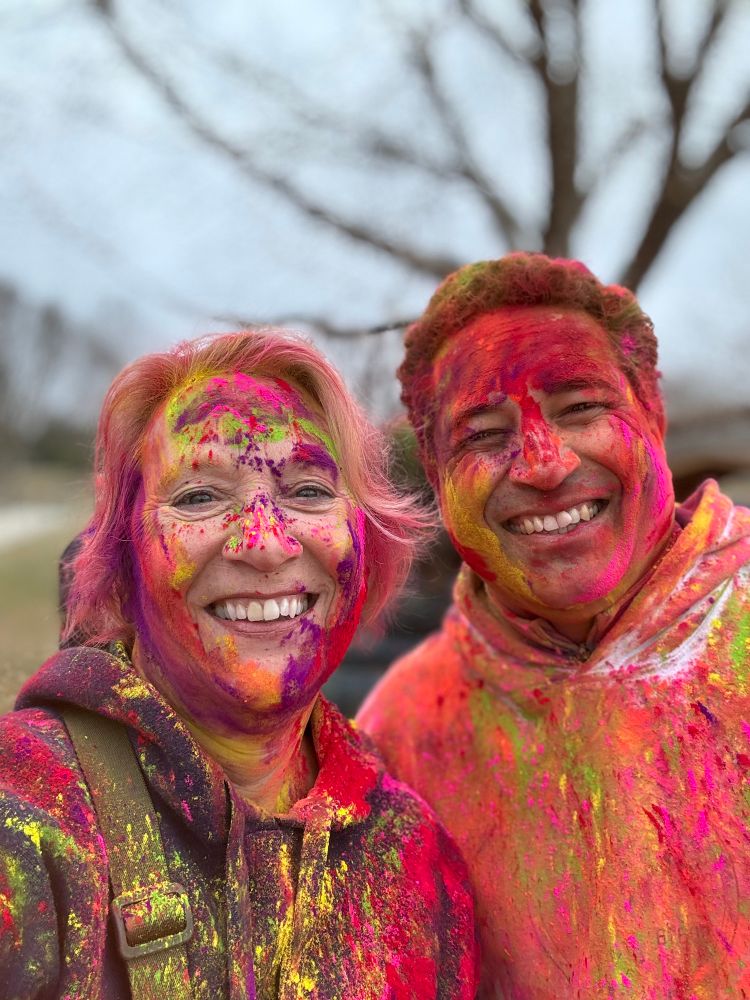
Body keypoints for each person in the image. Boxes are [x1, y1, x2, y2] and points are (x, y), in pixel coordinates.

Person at [0, 330, 478, 999]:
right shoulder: (28, 812)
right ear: (124, 553)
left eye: (310, 489)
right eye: (198, 496)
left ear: (364, 539)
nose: (265, 544)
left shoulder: (413, 855)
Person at [358, 253, 750, 998]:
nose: (543, 463)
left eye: (580, 408)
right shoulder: (403, 733)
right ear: (440, 479)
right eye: (482, 435)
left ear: (652, 418)